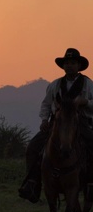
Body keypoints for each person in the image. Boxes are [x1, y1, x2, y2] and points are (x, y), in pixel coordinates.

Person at [18, 48, 93, 203]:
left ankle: (91, 183)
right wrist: (44, 120)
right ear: (63, 66)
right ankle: (33, 183)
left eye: (73, 63)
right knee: (33, 148)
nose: (70, 66)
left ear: (79, 65)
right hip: (56, 123)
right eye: (67, 63)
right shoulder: (55, 85)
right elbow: (46, 104)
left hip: (81, 122)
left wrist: (85, 102)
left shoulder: (88, 84)